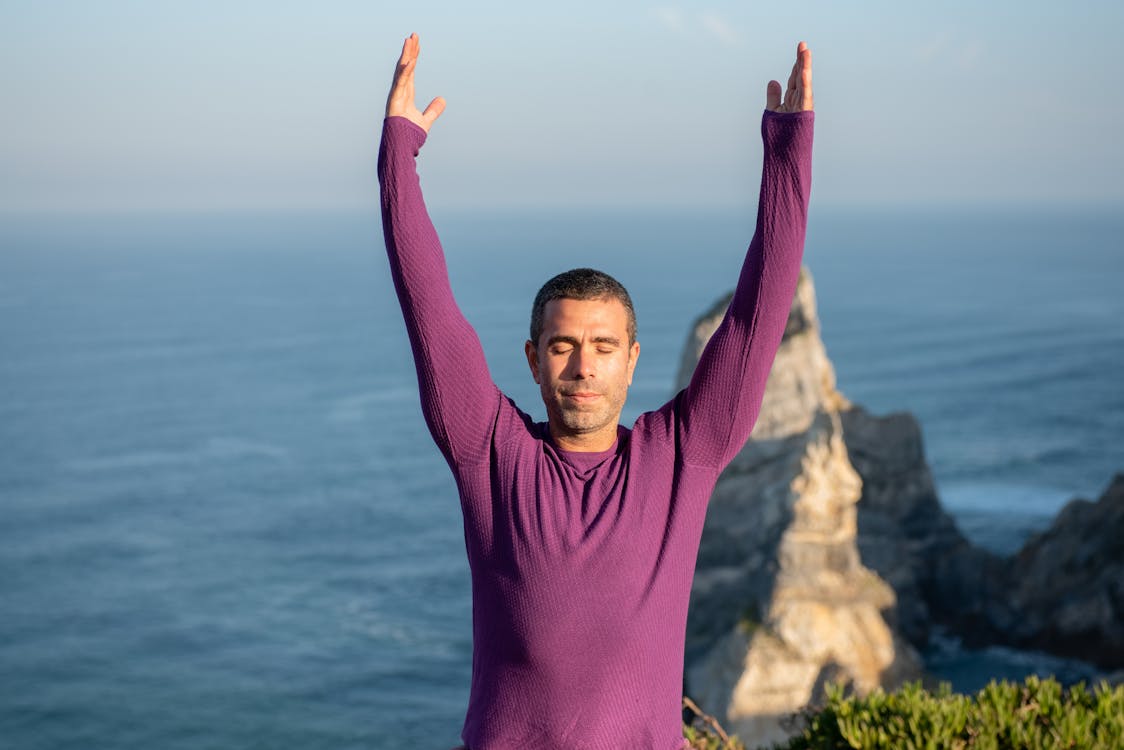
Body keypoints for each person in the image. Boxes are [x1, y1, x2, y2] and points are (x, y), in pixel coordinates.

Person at [379, 32, 814, 750]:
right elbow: (428, 305)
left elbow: (756, 317)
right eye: (563, 346)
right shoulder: (488, 451)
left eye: (604, 347)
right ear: (533, 360)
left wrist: (788, 152)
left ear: (633, 360)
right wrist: (398, 154)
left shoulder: (683, 454)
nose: (584, 367)